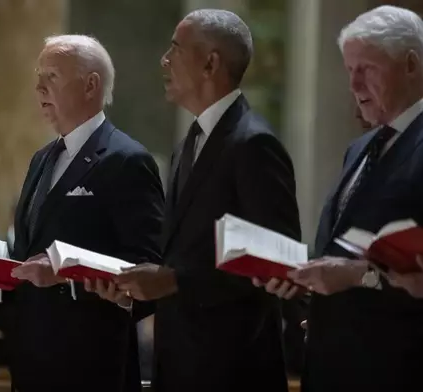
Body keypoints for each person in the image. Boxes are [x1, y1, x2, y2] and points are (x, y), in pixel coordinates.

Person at [89, 9, 300, 391]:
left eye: (175, 49)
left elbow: (277, 263)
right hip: (179, 365)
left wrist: (174, 282)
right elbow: (180, 257)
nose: (164, 60)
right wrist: (132, 293)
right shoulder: (188, 145)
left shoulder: (254, 144)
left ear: (210, 62)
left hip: (233, 371)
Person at [0, 35, 164, 392]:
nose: (38, 86)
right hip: (31, 364)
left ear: (91, 85)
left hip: (92, 366)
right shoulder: (41, 159)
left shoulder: (126, 160)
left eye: (52, 76)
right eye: (38, 75)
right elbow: (30, 255)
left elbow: (149, 267)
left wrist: (64, 278)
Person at [259, 6, 423, 392]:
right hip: (331, 363)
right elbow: (343, 249)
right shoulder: (360, 148)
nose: (354, 85)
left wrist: (356, 275)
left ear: (411, 64)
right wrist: (308, 283)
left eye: (366, 69)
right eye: (350, 70)